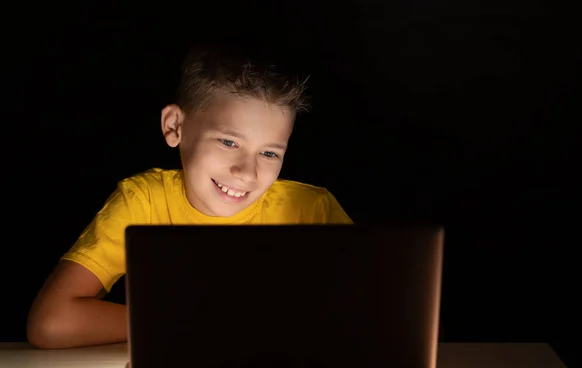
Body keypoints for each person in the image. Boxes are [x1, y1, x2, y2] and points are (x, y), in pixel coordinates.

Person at [26, 44, 352, 349]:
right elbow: (51, 322)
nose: (247, 172)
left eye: (269, 153)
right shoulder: (143, 201)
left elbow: (371, 313)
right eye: (228, 142)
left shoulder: (313, 210)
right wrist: (203, 324)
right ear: (174, 126)